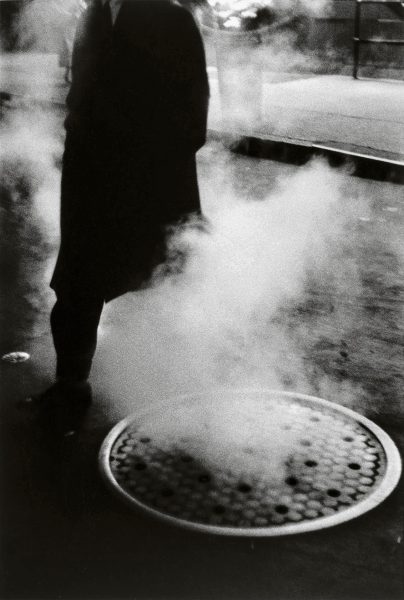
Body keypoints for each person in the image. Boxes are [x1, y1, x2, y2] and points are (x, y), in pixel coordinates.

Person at [32, 0, 209, 425]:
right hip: (90, 178)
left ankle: (180, 387)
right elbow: (84, 85)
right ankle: (71, 386)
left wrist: (155, 166)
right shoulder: (93, 12)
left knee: (158, 279)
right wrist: (74, 129)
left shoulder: (171, 17)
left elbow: (193, 107)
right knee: (77, 285)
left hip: (143, 178)